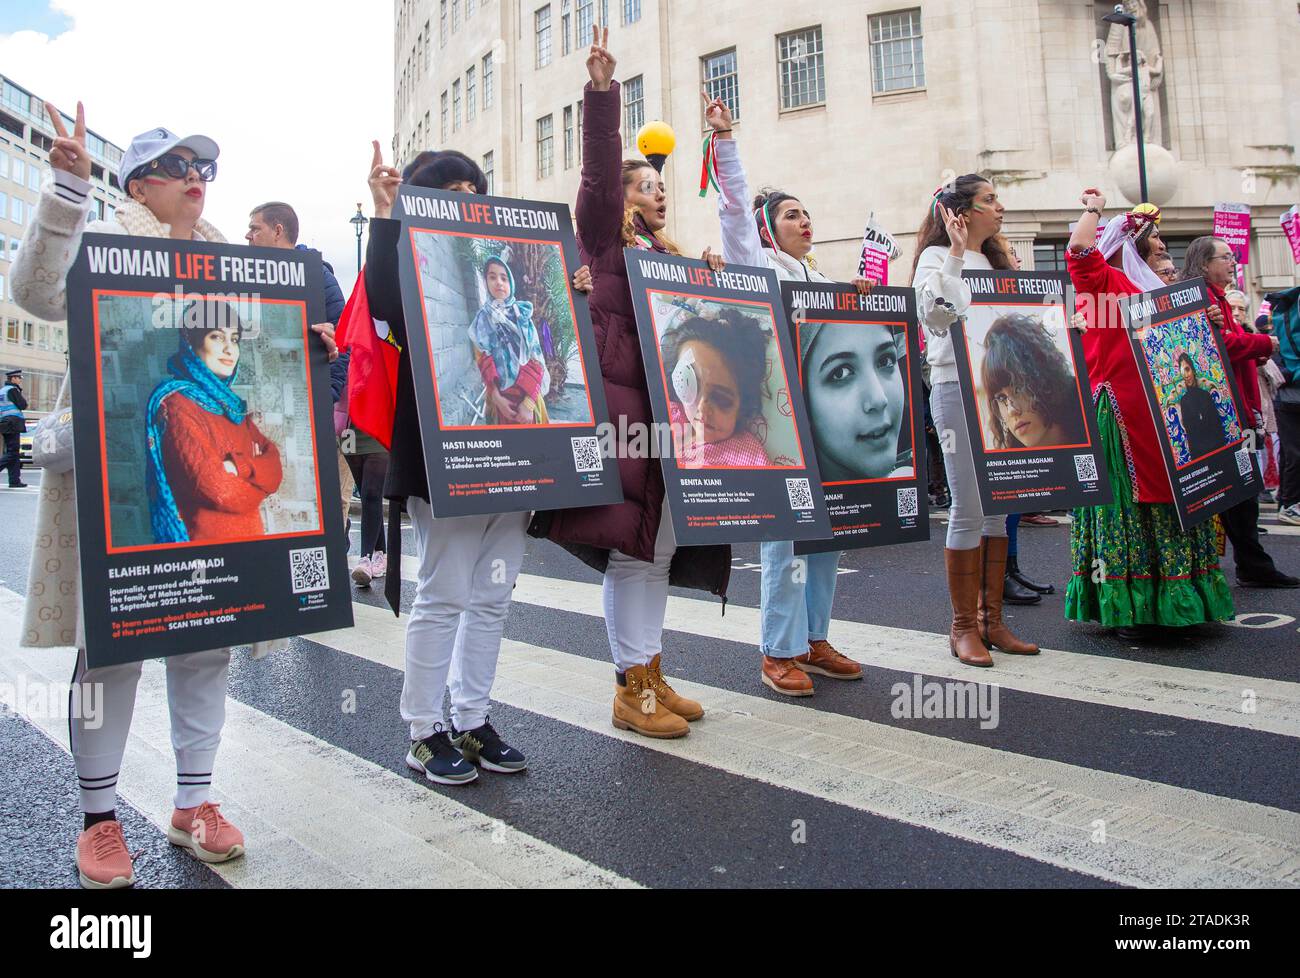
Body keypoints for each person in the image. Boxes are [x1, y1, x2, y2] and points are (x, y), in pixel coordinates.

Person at [9, 104, 338, 889]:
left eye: (204, 169)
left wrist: (306, 344)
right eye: (179, 168)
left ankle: (194, 802)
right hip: (118, 484)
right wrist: (62, 189)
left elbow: (256, 361)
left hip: (216, 510)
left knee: (207, 641)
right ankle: (99, 817)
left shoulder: (229, 260)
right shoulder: (106, 238)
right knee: (113, 649)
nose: (196, 180)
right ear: (140, 184)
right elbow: (36, 289)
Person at [366, 141, 599, 776]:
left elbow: (551, 348)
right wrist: (386, 213)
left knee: (494, 594)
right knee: (443, 592)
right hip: (447, 458)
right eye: (450, 192)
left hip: (520, 453)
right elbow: (385, 304)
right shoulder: (408, 256)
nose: (468, 201)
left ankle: (471, 720)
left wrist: (579, 294)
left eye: (475, 191)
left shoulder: (520, 308)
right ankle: (423, 728)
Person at [532, 26, 728, 735]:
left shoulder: (666, 256)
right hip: (625, 414)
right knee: (631, 550)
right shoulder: (603, 242)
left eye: (661, 186)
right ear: (621, 200)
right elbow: (594, 177)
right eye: (643, 186)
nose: (657, 193)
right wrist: (602, 96)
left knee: (661, 546)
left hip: (671, 418)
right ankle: (628, 689)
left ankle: (652, 671)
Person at [703, 92, 868, 695]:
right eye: (792, 215)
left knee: (829, 531)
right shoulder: (760, 268)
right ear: (769, 231)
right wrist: (724, 141)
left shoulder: (820, 278)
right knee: (787, 533)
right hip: (778, 422)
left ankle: (815, 638)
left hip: (824, 422)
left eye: (807, 214)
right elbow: (733, 218)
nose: (805, 222)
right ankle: (778, 650)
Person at [1063, 191, 1234, 638]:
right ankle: (1132, 609)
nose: (1161, 244)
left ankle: (1176, 600)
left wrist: (1207, 318)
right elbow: (1079, 254)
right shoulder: (1107, 285)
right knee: (1130, 507)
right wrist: (1094, 210)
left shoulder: (1157, 291)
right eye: (1154, 237)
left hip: (1165, 414)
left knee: (1172, 503)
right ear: (1131, 245)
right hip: (1122, 414)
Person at [911, 175, 1037, 667]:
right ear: (959, 213)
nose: (1000, 207)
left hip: (999, 392)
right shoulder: (934, 259)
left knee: (998, 503)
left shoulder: (999, 262)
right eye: (990, 200)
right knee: (967, 503)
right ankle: (963, 626)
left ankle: (993, 620)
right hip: (956, 385)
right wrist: (957, 254)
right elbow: (935, 317)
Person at [1180, 237, 1296, 587]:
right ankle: (1251, 564)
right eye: (1225, 257)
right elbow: (1218, 345)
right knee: (1237, 492)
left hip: (1240, 408)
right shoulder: (1200, 298)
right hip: (1223, 413)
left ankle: (1252, 563)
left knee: (1243, 493)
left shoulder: (1220, 300)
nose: (1233, 262)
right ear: (1203, 264)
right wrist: (1264, 343)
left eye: (1233, 256)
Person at [245, 201, 354, 541]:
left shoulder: (317, 277)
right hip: (264, 413)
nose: (247, 235)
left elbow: (344, 340)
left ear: (278, 231)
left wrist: (325, 399)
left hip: (309, 412)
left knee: (315, 501)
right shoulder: (246, 276)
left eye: (255, 228)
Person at [146, 299, 283, 543]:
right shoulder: (176, 404)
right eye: (217, 337)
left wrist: (239, 467)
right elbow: (220, 491)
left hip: (253, 544)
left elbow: (275, 468)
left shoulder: (231, 406)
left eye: (235, 339)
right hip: (206, 555)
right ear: (192, 342)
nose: (230, 349)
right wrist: (260, 487)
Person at [661, 308, 770, 467]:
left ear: (743, 404)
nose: (702, 409)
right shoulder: (668, 413)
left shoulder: (748, 456)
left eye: (721, 399)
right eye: (687, 382)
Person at [981, 313, 1087, 449]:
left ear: (1044, 380)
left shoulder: (1093, 417)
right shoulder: (1015, 467)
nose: (1012, 410)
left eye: (1019, 388)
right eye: (1001, 398)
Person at [469, 255, 551, 424]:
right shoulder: (480, 323)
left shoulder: (522, 318)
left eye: (504, 278)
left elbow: (536, 358)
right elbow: (482, 360)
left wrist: (528, 404)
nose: (498, 282)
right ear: (485, 282)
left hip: (528, 401)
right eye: (492, 277)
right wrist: (496, 397)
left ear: (510, 284)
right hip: (500, 403)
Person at [1268, 286, 1300, 525]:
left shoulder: (1284, 326)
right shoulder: (1281, 336)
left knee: (1292, 454)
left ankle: (1287, 501)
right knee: (1293, 454)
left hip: (1288, 399)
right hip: (1288, 400)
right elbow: (1280, 370)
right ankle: (1288, 503)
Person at [1173, 351, 1229, 461]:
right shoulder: (1184, 401)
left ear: (1193, 370)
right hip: (1200, 456)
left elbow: (1217, 427)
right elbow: (1191, 435)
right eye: (1182, 371)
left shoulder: (1205, 395)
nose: (1186, 375)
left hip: (1217, 451)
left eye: (1187, 369)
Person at [0, 367, 27, 488]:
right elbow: (23, 405)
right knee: (12, 452)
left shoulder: (2, 391)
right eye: (19, 378)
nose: (20, 380)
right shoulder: (12, 390)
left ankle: (14, 480)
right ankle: (14, 480)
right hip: (13, 422)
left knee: (13, 452)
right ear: (13, 378)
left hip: (5, 422)